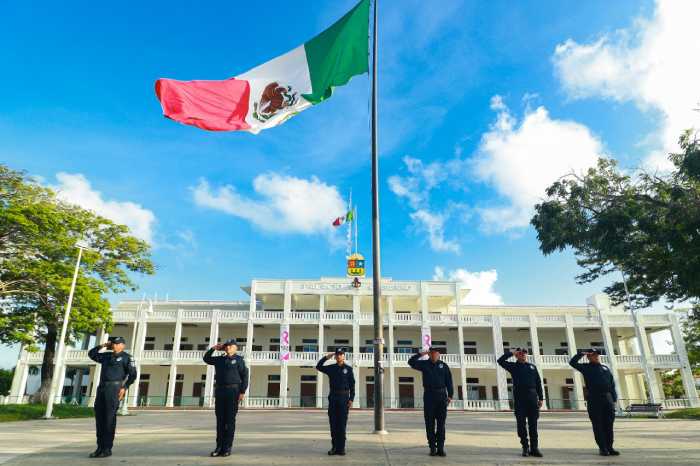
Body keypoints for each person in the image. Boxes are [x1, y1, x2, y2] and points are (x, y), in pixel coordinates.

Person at [87, 336, 137, 458]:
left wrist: (124, 388)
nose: (114, 345)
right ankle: (99, 447)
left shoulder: (127, 358)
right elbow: (91, 354)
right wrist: (103, 345)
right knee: (99, 418)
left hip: (114, 389)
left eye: (117, 343)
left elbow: (133, 375)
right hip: (102, 388)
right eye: (113, 343)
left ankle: (107, 448)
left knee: (109, 419)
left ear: (123, 345)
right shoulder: (106, 356)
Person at [203, 338, 249, 457]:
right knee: (220, 420)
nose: (228, 347)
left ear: (236, 348)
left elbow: (245, 376)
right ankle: (219, 447)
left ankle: (227, 448)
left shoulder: (239, 360)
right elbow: (206, 359)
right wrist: (213, 348)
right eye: (226, 346)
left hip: (233, 391)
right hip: (220, 391)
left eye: (230, 345)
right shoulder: (219, 359)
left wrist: (242, 391)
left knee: (230, 421)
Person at [569, 349, 619, 456]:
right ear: (589, 357)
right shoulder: (586, 367)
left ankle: (610, 447)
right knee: (598, 424)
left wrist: (614, 399)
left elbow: (612, 385)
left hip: (608, 398)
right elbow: (572, 363)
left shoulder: (605, 368)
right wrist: (581, 353)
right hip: (594, 399)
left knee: (609, 424)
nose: (596, 357)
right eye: (593, 355)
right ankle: (603, 448)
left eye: (597, 355)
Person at [497, 348, 544, 457]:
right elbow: (500, 361)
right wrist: (511, 352)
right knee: (521, 424)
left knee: (533, 424)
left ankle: (534, 448)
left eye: (524, 353)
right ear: (517, 356)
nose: (523, 355)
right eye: (520, 354)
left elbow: (538, 383)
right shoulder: (513, 367)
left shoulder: (532, 367)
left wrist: (541, 398)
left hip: (532, 398)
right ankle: (525, 448)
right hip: (520, 399)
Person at [408, 347, 454, 457]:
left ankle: (441, 448)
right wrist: (420, 354)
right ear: (429, 354)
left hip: (442, 396)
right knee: (429, 423)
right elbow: (411, 362)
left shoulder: (444, 366)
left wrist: (450, 395)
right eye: (432, 353)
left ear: (439, 355)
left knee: (441, 424)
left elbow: (449, 381)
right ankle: (432, 448)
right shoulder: (424, 364)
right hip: (429, 395)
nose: (434, 355)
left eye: (436, 354)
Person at [316, 348, 355, 456]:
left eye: (341, 354)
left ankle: (341, 448)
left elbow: (352, 385)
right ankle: (334, 447)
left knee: (342, 424)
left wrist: (351, 399)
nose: (339, 356)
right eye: (337, 354)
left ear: (344, 356)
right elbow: (318, 366)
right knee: (333, 424)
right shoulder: (331, 368)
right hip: (333, 397)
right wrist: (327, 357)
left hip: (344, 398)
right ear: (335, 356)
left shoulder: (349, 369)